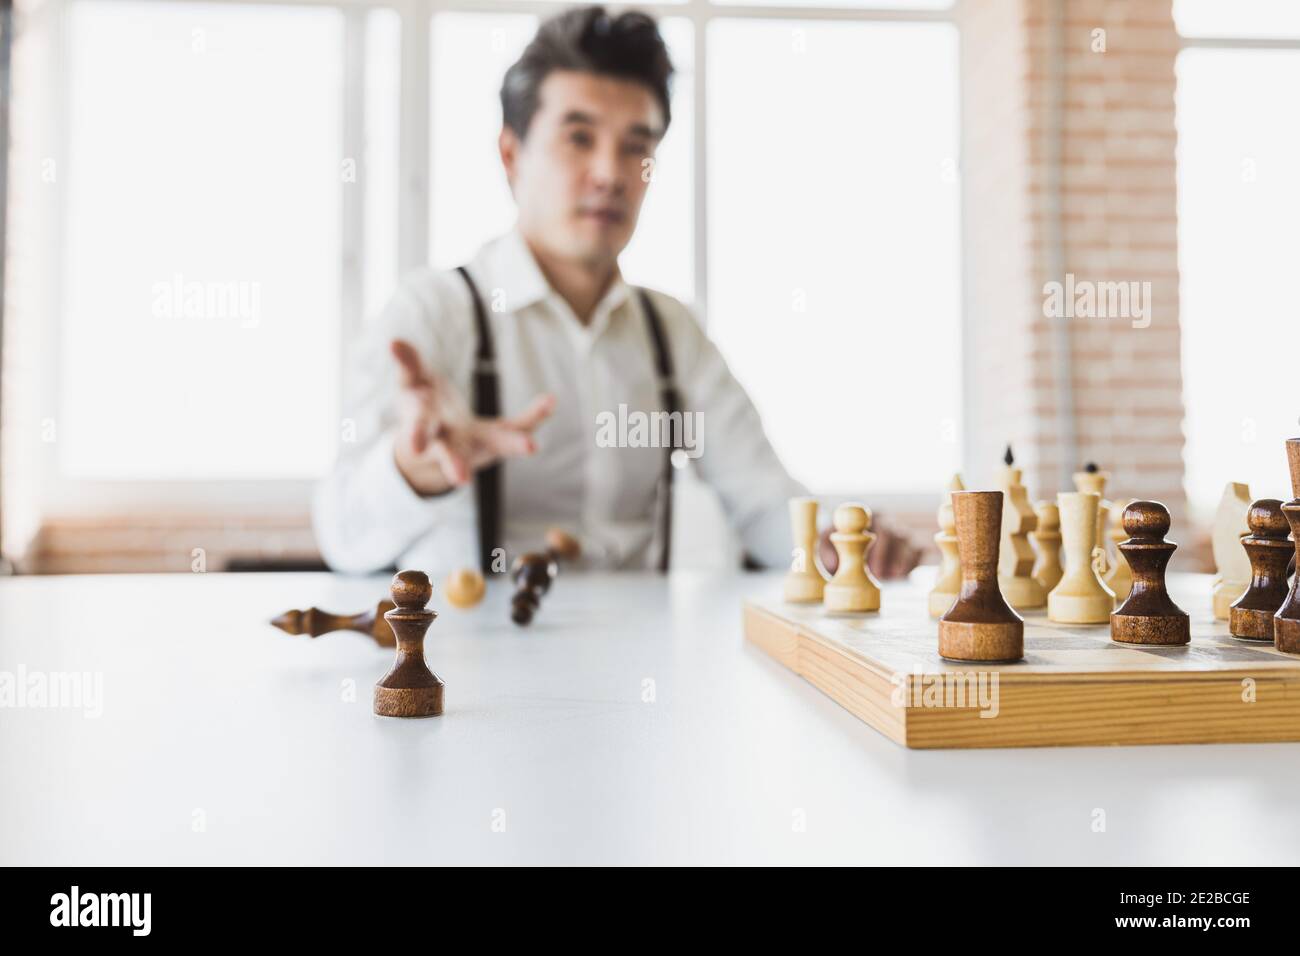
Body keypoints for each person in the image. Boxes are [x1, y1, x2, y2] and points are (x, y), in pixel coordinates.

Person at [313, 4, 919, 579]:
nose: (610, 173)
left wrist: (842, 545)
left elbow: (762, 502)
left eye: (637, 146)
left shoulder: (670, 332)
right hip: (459, 679)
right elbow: (341, 535)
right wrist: (411, 471)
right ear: (510, 154)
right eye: (579, 137)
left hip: (643, 674)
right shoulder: (433, 314)